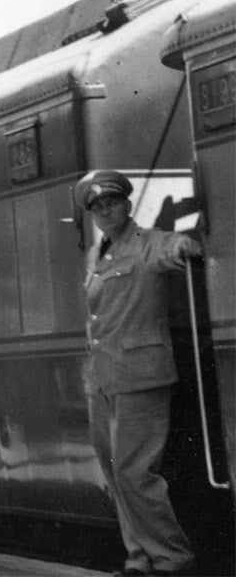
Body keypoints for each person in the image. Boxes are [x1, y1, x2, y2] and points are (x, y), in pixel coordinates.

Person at [78, 168, 204, 576]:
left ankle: (172, 559)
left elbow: (176, 247)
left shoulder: (149, 243)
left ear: (128, 204)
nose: (104, 210)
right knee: (117, 476)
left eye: (111, 202)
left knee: (134, 473)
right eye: (96, 206)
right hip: (102, 380)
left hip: (140, 376)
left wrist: (186, 246)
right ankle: (139, 559)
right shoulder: (99, 254)